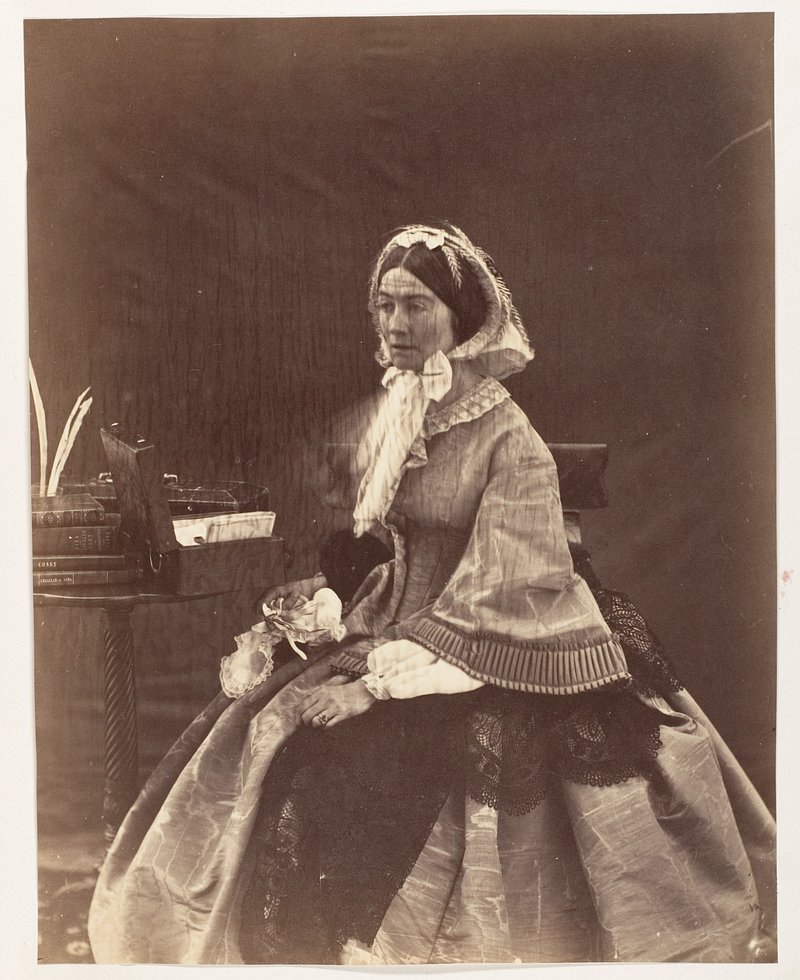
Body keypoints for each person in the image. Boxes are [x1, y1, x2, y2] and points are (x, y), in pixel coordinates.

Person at [88, 223, 776, 965]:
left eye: (415, 306)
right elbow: (388, 539)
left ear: (462, 321)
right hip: (404, 619)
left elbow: (499, 592)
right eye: (384, 306)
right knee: (269, 729)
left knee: (365, 762)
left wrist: (374, 688)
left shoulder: (511, 441)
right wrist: (332, 601)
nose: (395, 324)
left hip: (508, 636)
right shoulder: (406, 407)